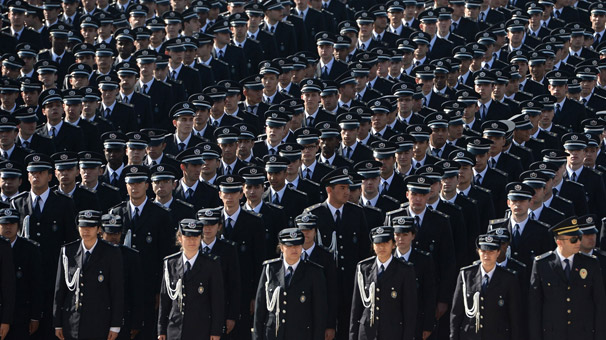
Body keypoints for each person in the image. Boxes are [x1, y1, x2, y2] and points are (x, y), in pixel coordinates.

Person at [529, 216, 606, 340]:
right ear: (559, 242)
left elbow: (599, 304)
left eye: (579, 238)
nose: (579, 243)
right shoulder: (542, 264)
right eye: (574, 239)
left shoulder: (590, 263)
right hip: (553, 334)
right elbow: (535, 307)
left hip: (583, 334)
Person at [53, 210, 124, 340]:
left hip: (99, 321)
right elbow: (60, 289)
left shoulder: (111, 253)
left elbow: (117, 290)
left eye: (90, 227)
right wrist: (57, 323)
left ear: (98, 229)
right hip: (72, 321)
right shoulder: (68, 251)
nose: (86, 230)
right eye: (83, 227)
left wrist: (115, 325)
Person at [253, 228, 328, 340]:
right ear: (282, 247)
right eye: (290, 246)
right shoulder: (270, 269)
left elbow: (319, 312)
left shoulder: (313, 272)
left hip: (301, 334)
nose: (294, 249)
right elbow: (260, 309)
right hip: (273, 334)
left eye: (297, 245)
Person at [158, 218, 224, 340]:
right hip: (175, 329)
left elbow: (217, 300)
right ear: (180, 238)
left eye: (196, 237)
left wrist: (216, 331)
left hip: (201, 329)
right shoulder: (170, 263)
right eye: (188, 237)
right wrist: (161, 329)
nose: (192, 241)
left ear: (201, 238)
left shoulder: (211, 264)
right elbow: (165, 299)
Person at [350, 226, 417, 340]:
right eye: (378, 243)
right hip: (367, 332)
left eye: (386, 242)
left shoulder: (404, 270)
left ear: (393, 244)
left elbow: (409, 310)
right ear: (373, 246)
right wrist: (352, 336)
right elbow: (356, 307)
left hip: (393, 332)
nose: (382, 247)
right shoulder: (364, 268)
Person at [450, 234, 521, 340]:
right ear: (478, 251)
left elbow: (514, 316)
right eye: (483, 251)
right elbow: (456, 312)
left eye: (491, 252)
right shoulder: (466, 275)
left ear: (498, 253)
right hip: (470, 336)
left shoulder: (509, 278)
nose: (486, 255)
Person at [197, 208, 241, 339]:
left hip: (220, 309)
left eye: (212, 225)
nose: (207, 229)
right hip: (197, 311)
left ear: (219, 226)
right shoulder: (192, 247)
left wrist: (231, 316)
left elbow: (234, 284)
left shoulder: (228, 249)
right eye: (204, 225)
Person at [100, 214, 144, 340]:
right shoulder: (94, 254)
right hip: (97, 318)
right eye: (110, 233)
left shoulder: (131, 256)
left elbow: (136, 292)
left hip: (122, 318)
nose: (114, 237)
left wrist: (136, 322)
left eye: (117, 233)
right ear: (101, 232)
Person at [392, 216, 436, 340]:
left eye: (405, 234)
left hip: (416, 320)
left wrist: (427, 325)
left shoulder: (424, 260)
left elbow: (429, 294)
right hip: (391, 323)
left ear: (413, 236)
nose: (400, 239)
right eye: (397, 235)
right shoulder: (388, 259)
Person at [295, 212, 338, 340]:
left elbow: (332, 291)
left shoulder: (326, 256)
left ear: (315, 231)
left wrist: (330, 325)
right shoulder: (290, 254)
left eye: (309, 229)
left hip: (318, 317)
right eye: (302, 229)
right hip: (296, 318)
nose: (306, 233)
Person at [0, 208, 39, 340]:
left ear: (18, 226)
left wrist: (35, 316)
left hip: (21, 314)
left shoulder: (30, 249)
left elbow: (35, 285)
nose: (8, 227)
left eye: (12, 224)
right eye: (4, 224)